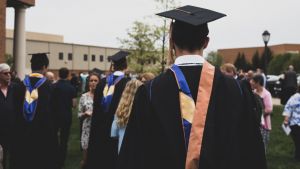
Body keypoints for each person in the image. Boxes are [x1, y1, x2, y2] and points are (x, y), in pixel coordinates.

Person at [117, 6, 266, 169]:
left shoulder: (150, 91)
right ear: (206, 42)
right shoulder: (236, 89)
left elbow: (134, 156)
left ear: (172, 41)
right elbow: (252, 152)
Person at [10, 53, 58, 169]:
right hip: (44, 137)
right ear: (45, 67)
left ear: (31, 66)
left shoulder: (18, 86)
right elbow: (55, 114)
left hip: (22, 136)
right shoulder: (51, 87)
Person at [86, 51, 131, 169]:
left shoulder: (101, 83)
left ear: (113, 66)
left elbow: (96, 108)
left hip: (100, 129)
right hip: (118, 131)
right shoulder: (128, 84)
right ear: (125, 66)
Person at [51, 67, 77, 169]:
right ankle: (61, 161)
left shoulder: (53, 87)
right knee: (64, 139)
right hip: (66, 116)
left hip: (55, 116)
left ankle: (54, 158)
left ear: (59, 74)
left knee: (54, 137)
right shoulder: (71, 88)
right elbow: (74, 104)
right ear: (68, 75)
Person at [111, 79, 143, 153]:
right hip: (139, 149)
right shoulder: (143, 109)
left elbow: (113, 133)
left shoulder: (121, 110)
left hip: (122, 148)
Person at [78, 72, 100, 168]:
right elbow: (79, 115)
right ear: (88, 83)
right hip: (87, 129)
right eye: (91, 80)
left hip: (99, 129)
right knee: (85, 160)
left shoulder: (103, 97)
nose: (93, 82)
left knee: (97, 158)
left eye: (96, 80)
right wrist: (85, 114)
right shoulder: (84, 97)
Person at [250, 74, 273, 151]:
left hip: (264, 125)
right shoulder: (253, 92)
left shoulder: (266, 94)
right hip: (254, 124)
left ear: (258, 82)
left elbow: (269, 109)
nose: (251, 82)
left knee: (262, 146)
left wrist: (258, 114)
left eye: (253, 81)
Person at [0, 63, 16, 169]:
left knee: (15, 157)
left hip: (14, 130)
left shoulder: (15, 89)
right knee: (2, 158)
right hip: (1, 131)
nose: (9, 75)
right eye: (6, 73)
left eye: (10, 73)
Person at [282, 85, 300, 162]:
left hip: (296, 123)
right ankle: (297, 157)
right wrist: (286, 120)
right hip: (295, 123)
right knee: (298, 142)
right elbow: (288, 108)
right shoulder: (295, 97)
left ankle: (297, 156)